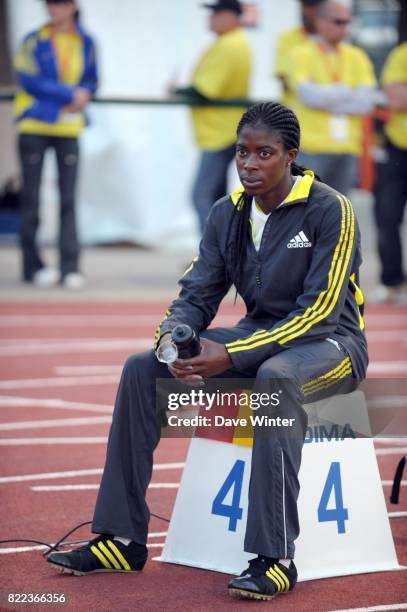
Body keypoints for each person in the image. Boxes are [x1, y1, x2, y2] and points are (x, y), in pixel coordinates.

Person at [46, 102, 368, 601]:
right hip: (261, 340)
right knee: (141, 369)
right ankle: (122, 538)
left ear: (291, 156)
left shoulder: (331, 209)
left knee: (275, 382)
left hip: (331, 345)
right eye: (243, 152)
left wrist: (231, 357)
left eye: (265, 153)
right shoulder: (228, 213)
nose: (250, 164)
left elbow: (319, 311)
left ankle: (274, 558)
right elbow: (197, 292)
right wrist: (173, 338)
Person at [14, 0, 98, 289]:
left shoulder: (86, 41)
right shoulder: (33, 39)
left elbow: (92, 79)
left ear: (73, 6)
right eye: (49, 3)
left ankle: (70, 267)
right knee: (31, 198)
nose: (53, 9)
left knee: (68, 200)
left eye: (60, 3)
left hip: (68, 127)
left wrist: (85, 93)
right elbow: (28, 79)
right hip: (34, 124)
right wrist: (69, 93)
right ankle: (32, 266)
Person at [173, 0, 251, 233]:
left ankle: (213, 258)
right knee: (217, 197)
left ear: (234, 17)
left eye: (219, 13)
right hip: (227, 129)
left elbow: (204, 90)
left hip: (221, 131)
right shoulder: (234, 42)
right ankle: (222, 257)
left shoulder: (230, 44)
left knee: (202, 195)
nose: (212, 17)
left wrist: (177, 89)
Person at [288, 0, 376, 195]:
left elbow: (365, 103)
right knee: (305, 210)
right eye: (338, 22)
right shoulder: (300, 53)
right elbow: (308, 96)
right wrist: (346, 92)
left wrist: (326, 94)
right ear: (320, 22)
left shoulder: (357, 57)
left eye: (347, 22)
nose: (344, 27)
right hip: (311, 147)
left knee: (339, 212)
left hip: (347, 147)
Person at [373, 42, 407, 304]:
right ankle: (392, 281)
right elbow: (396, 99)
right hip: (398, 148)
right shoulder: (401, 53)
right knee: (387, 216)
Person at [274, 0, 325, 108]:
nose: (305, 11)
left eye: (311, 6)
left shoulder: (332, 40)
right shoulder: (288, 38)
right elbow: (285, 80)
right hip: (294, 115)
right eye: (303, 6)